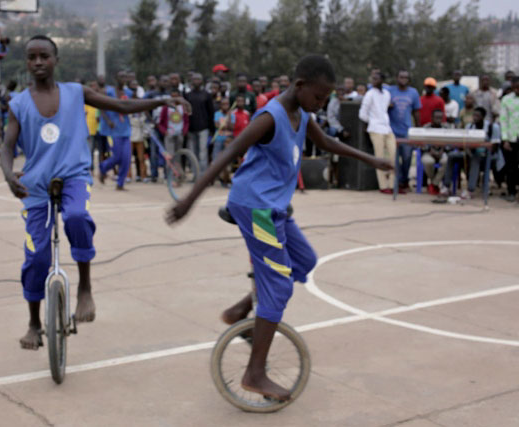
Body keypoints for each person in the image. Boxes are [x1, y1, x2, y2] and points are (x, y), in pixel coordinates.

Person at [167, 55, 392, 402]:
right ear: (299, 86)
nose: (322, 103)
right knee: (279, 287)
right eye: (319, 97)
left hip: (274, 209)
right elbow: (227, 155)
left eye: (327, 98)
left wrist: (371, 159)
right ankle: (254, 373)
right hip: (256, 208)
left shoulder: (301, 114)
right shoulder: (269, 117)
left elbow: (328, 144)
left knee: (305, 261)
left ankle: (242, 308)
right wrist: (188, 200)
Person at [0, 35, 190, 350]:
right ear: (26, 61)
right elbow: (7, 147)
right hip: (35, 185)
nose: (37, 62)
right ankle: (34, 322)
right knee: (36, 257)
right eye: (31, 57)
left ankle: (85, 287)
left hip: (74, 176)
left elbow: (123, 105)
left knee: (76, 217)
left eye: (44, 56)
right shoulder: (18, 103)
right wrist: (8, 174)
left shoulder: (76, 93)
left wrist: (160, 100)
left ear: (55, 60)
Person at [359, 71, 396, 194]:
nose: (373, 81)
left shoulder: (386, 93)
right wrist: (372, 121)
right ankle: (383, 186)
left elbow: (384, 110)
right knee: (379, 157)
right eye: (372, 79)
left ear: (381, 80)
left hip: (387, 128)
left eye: (376, 79)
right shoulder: (369, 94)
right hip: (375, 129)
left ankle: (392, 184)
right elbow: (362, 114)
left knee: (393, 155)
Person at [387, 70, 421, 191]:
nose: (403, 79)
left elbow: (416, 112)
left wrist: (418, 130)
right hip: (392, 130)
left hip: (407, 131)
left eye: (406, 77)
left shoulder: (413, 92)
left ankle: (404, 179)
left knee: (407, 157)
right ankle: (399, 181)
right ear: (397, 78)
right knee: (394, 157)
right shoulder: (390, 91)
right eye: (401, 77)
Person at [98, 75, 133, 190]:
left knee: (126, 158)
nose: (124, 80)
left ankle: (120, 183)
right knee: (117, 157)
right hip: (113, 130)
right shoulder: (108, 91)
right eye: (122, 77)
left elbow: (135, 104)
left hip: (126, 129)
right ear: (116, 79)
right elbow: (101, 107)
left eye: (125, 78)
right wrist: (107, 120)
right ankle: (103, 168)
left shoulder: (128, 92)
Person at [463, 107, 501, 200]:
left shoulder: (493, 127)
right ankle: (471, 189)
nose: (475, 118)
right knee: (475, 158)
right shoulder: (469, 127)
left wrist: (483, 146)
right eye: (474, 115)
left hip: (491, 156)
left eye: (478, 116)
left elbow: (495, 147)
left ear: (483, 117)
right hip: (475, 154)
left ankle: (473, 189)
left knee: (478, 159)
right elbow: (466, 143)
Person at [184, 73, 215, 172]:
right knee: (193, 153)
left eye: (198, 79)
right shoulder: (188, 95)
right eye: (194, 79)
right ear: (191, 81)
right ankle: (195, 174)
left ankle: (203, 175)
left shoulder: (206, 95)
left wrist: (211, 129)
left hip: (203, 128)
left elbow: (211, 113)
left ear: (202, 81)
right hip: (191, 129)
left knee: (203, 153)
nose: (196, 81)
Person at [500, 76, 519, 202]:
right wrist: (505, 139)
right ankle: (511, 191)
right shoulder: (506, 100)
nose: (517, 89)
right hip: (511, 139)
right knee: (511, 167)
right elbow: (503, 120)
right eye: (515, 87)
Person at [422, 109, 450, 196]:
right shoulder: (426, 128)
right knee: (428, 161)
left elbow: (450, 143)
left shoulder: (446, 128)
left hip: (442, 152)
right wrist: (430, 150)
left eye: (440, 118)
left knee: (446, 161)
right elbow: (422, 143)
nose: (438, 120)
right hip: (429, 152)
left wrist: (443, 149)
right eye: (436, 117)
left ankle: (433, 184)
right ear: (432, 118)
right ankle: (435, 183)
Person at [158, 87, 189, 158]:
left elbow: (186, 121)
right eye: (173, 97)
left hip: (179, 134)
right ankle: (169, 169)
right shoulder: (166, 107)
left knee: (179, 155)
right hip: (169, 135)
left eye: (176, 97)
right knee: (169, 155)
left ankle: (178, 169)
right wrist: (164, 131)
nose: (174, 99)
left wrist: (184, 131)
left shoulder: (183, 107)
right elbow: (161, 122)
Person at [128, 80, 148, 182]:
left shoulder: (141, 103)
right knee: (128, 157)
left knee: (141, 157)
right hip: (130, 133)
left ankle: (143, 175)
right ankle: (128, 176)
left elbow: (143, 117)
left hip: (139, 134)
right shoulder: (127, 103)